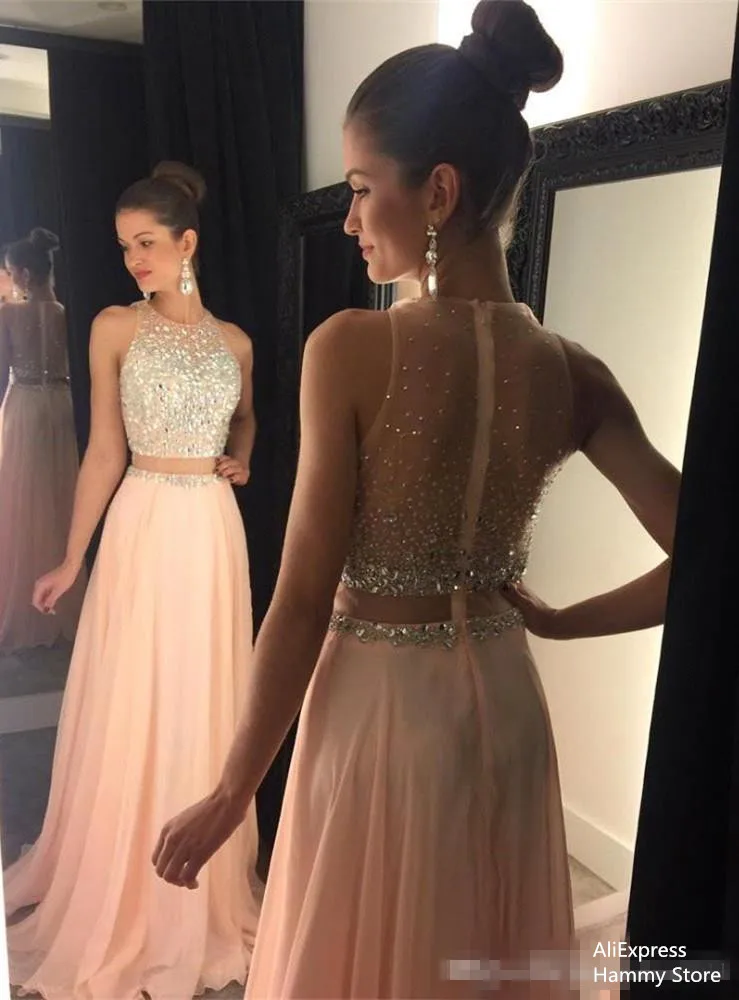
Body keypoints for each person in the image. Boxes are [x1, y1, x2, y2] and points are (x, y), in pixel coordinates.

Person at [153, 3, 680, 997]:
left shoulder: (350, 348)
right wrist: (560, 623)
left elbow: (301, 599)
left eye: (361, 190)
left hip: (381, 720)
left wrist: (231, 791)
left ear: (436, 190)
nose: (350, 220)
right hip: (508, 717)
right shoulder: (573, 371)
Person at [4, 162, 262, 999]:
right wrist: (72, 556)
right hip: (144, 520)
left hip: (212, 532)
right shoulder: (115, 326)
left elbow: (247, 416)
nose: (133, 260)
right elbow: (104, 450)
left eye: (146, 243)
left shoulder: (235, 343)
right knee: (134, 694)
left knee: (202, 693)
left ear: (187, 242)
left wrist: (242, 457)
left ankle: (197, 887)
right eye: (124, 247)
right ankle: (122, 874)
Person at [0, 228, 86, 652]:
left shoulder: (7, 315)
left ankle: (22, 601)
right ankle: (64, 599)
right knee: (60, 498)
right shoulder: (66, 313)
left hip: (24, 405)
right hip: (61, 405)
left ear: (23, 273)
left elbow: (3, 370)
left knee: (21, 499)